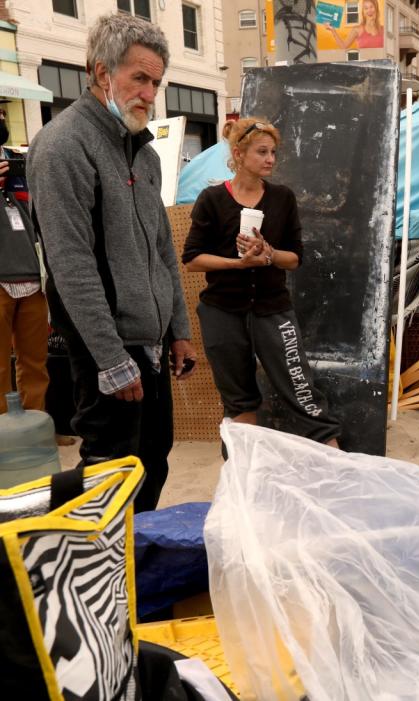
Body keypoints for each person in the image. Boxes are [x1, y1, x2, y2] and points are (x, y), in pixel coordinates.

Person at [27, 14, 197, 513]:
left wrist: (179, 329)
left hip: (151, 341)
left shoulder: (144, 155)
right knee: (110, 470)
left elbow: (163, 250)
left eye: (156, 82)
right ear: (103, 73)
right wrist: (109, 358)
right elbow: (71, 264)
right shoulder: (63, 146)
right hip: (105, 345)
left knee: (154, 459)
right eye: (139, 78)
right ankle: (91, 573)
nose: (150, 92)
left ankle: (135, 566)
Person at [182, 117, 340, 447]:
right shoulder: (212, 199)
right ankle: (245, 477)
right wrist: (238, 263)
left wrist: (269, 253)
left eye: (273, 152)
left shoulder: (282, 198)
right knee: (239, 400)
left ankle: (336, 464)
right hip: (222, 312)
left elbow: (295, 259)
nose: (270, 159)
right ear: (238, 154)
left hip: (272, 310)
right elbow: (192, 259)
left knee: (301, 390)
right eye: (262, 152)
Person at [0, 159, 48, 416]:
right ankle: (3, 440)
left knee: (35, 364)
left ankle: (35, 431)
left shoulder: (17, 162)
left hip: (33, 277)